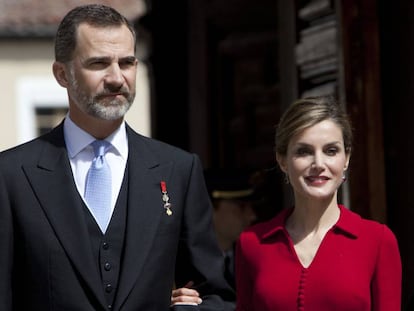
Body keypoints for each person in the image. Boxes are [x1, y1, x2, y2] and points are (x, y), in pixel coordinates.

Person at [0, 4, 234, 311]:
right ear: (62, 74)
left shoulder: (178, 170)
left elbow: (216, 295)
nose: (116, 78)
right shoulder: (12, 175)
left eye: (126, 62)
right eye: (98, 63)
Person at [235, 96, 402, 311]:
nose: (319, 164)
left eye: (331, 151)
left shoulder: (378, 241)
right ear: (282, 160)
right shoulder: (251, 243)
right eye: (304, 151)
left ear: (346, 158)